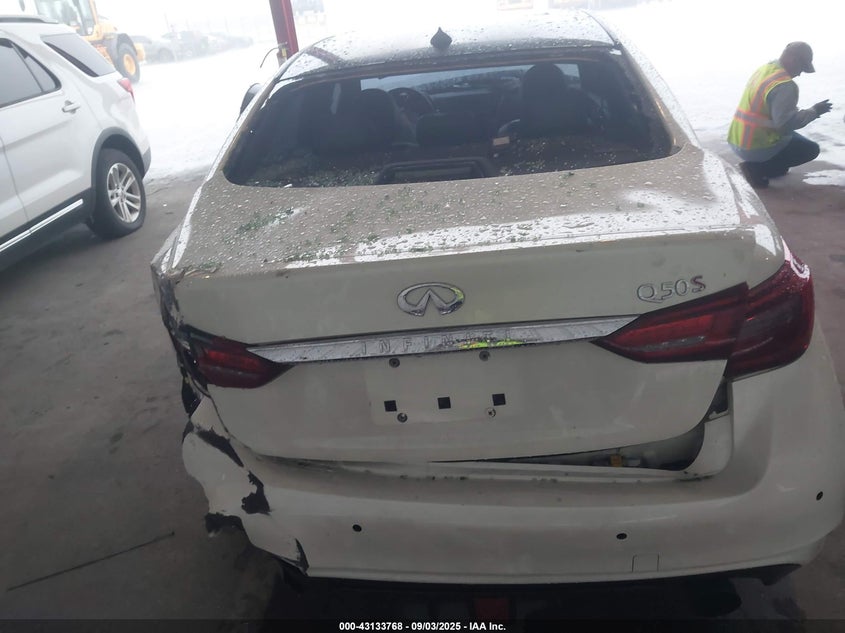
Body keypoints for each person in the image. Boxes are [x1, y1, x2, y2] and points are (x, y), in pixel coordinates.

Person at [727, 41, 832, 188]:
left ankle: (772, 166)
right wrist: (814, 111)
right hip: (755, 146)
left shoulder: (765, 70)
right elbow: (785, 125)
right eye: (802, 68)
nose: (800, 74)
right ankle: (756, 169)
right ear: (794, 60)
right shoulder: (785, 85)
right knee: (811, 149)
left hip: (737, 139)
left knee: (793, 142)